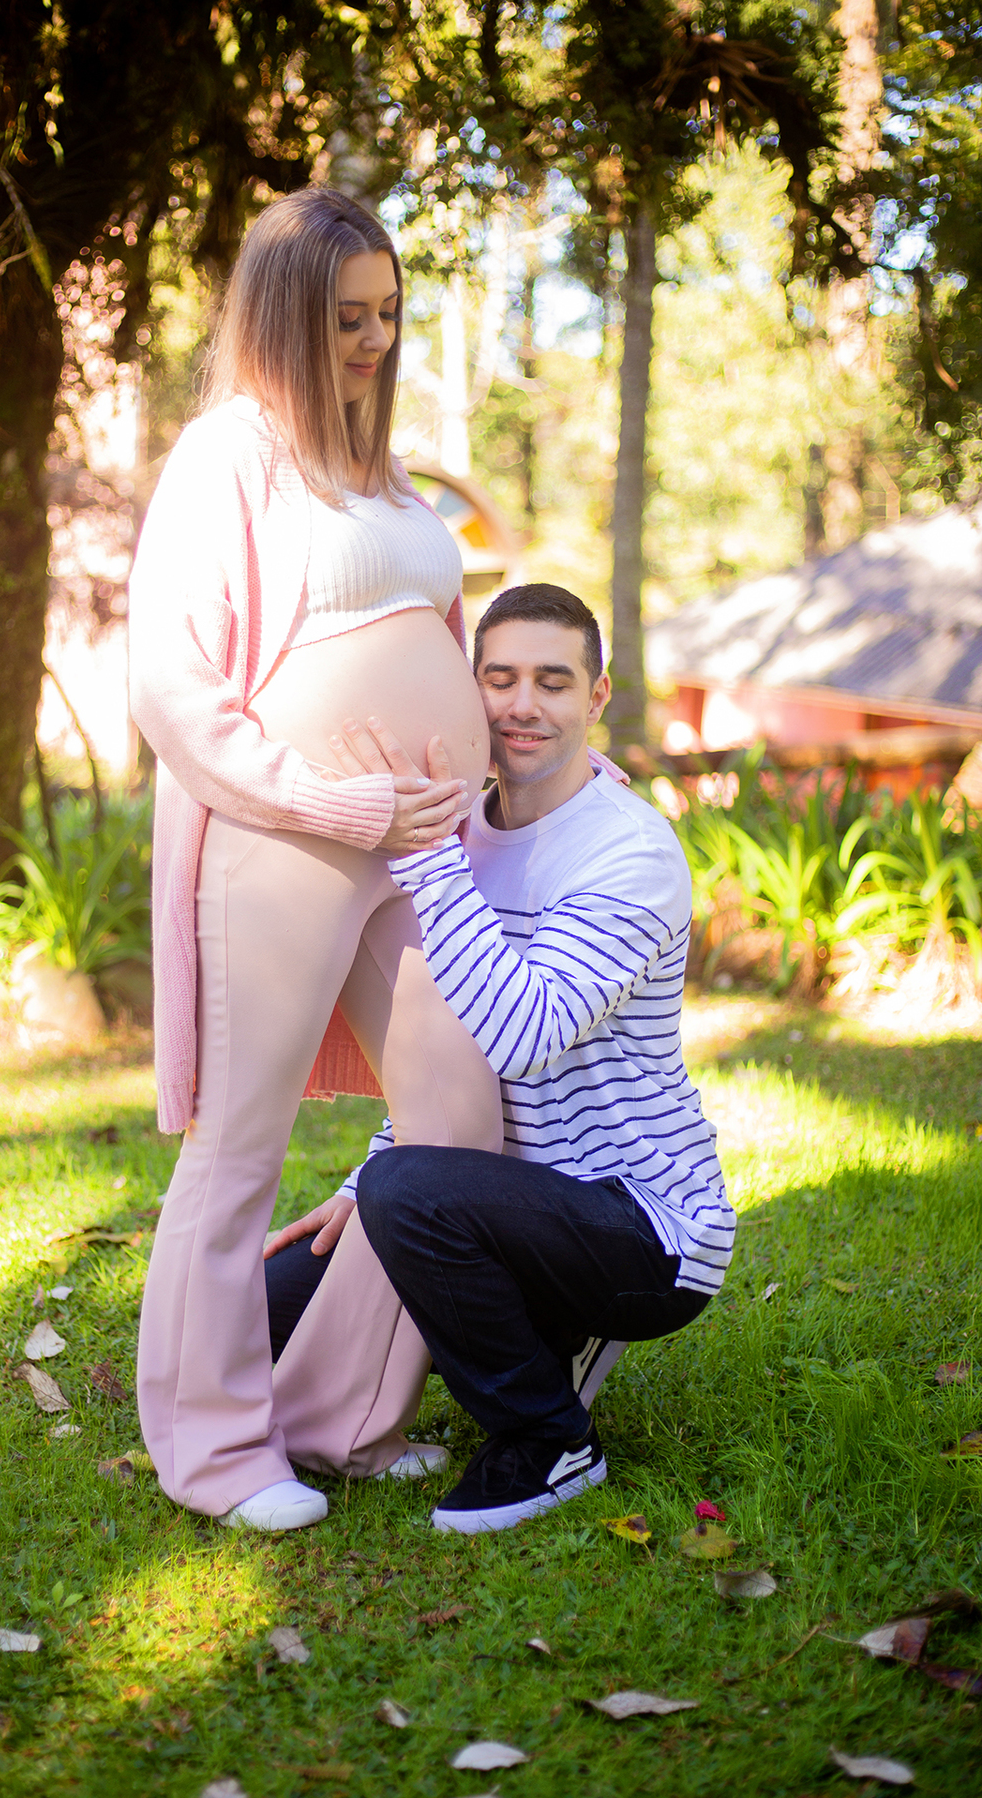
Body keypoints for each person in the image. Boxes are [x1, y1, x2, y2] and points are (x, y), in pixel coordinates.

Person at [128, 187, 507, 1534]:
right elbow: (170, 685)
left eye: (390, 314)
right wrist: (331, 801)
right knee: (241, 1145)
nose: (376, 340)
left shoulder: (381, 468)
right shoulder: (226, 456)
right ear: (285, 316)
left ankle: (339, 1414)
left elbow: (436, 645)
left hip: (420, 852)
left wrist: (514, 769)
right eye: (350, 318)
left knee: (461, 1116)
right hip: (284, 838)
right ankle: (218, 1452)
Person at [265, 583, 736, 1533]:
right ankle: (509, 1317)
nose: (523, 706)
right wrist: (366, 1181)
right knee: (267, 1306)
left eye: (552, 682)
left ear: (596, 697)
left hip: (642, 1227)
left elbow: (522, 1033)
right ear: (470, 687)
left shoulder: (630, 853)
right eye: (500, 679)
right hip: (489, 1190)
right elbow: (439, 1046)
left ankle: (550, 1436)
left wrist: (427, 855)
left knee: (410, 1196)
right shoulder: (465, 831)